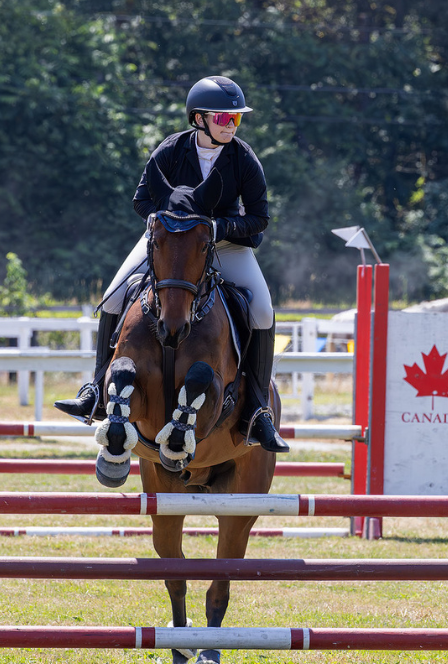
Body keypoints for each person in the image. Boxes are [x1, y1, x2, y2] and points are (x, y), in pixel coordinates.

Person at [54, 75, 288, 453]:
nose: (231, 126)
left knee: (262, 309)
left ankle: (258, 409)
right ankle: (95, 389)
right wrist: (162, 225)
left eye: (236, 120)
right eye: (224, 119)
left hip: (224, 242)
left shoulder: (244, 159)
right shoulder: (171, 150)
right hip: (170, 242)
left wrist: (216, 226)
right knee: (113, 298)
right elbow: (141, 199)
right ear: (199, 119)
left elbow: (259, 218)